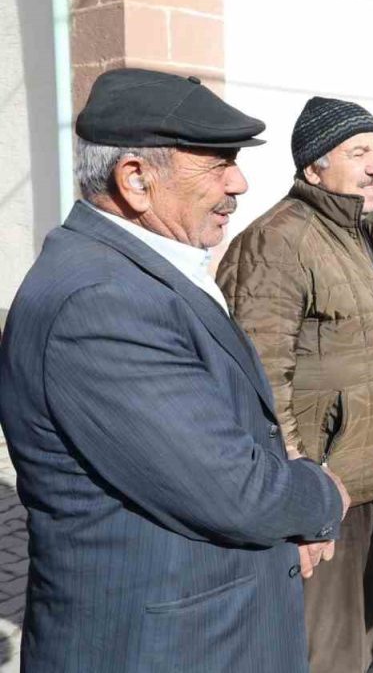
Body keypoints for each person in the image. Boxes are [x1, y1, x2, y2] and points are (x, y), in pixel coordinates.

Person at [0, 69, 349, 672]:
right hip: (166, 649)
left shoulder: (136, 268)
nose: (238, 182)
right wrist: (322, 494)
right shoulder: (101, 301)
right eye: (217, 163)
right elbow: (233, 491)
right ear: (135, 179)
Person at [217, 96, 373, 673]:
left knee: (368, 630)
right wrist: (296, 493)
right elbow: (259, 380)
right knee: (325, 649)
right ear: (313, 167)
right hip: (325, 486)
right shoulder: (278, 240)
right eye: (358, 152)